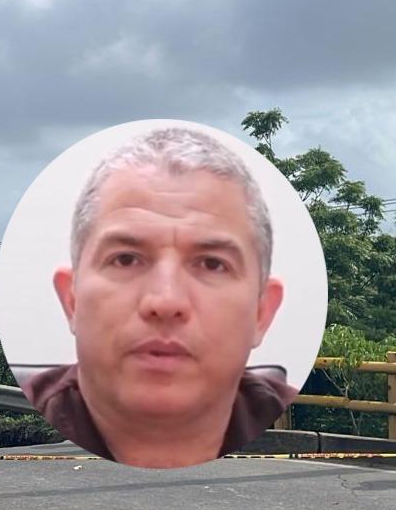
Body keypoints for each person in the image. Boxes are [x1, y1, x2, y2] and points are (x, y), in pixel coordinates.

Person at [21, 127, 292, 469]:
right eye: (126, 259)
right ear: (71, 299)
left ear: (262, 311)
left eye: (212, 264)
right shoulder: (23, 431)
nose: (165, 302)